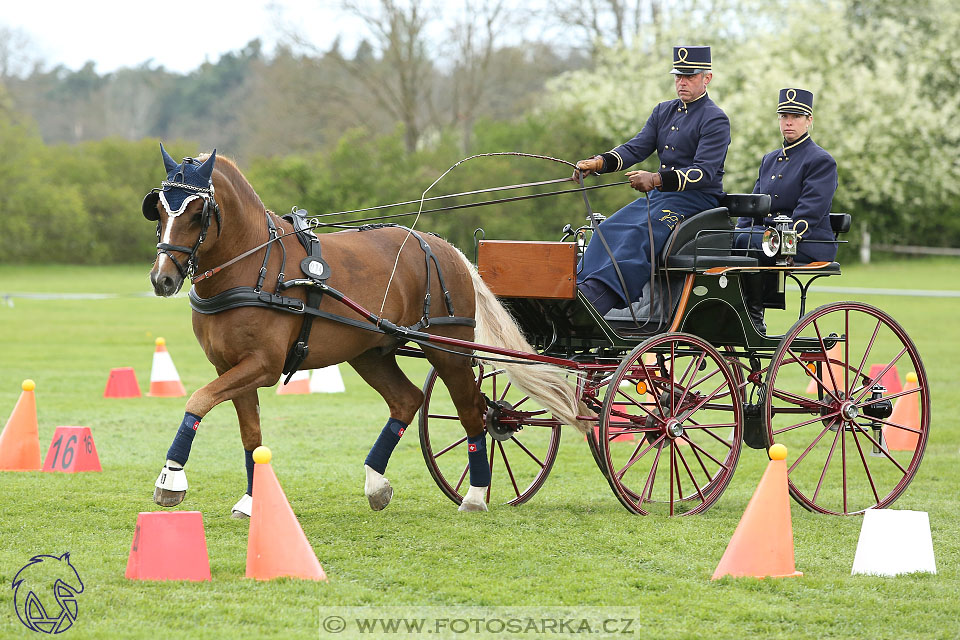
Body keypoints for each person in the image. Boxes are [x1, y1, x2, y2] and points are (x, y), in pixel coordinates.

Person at [574, 45, 731, 315]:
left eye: (689, 76)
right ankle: (579, 287)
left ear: (707, 78)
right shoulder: (663, 111)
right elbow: (636, 148)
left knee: (640, 233)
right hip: (662, 196)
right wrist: (599, 162)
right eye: (678, 76)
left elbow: (702, 173)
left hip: (697, 201)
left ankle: (599, 297)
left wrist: (656, 179)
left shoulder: (715, 119)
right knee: (609, 228)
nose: (682, 82)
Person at [735, 88, 838, 332]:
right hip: (768, 239)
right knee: (728, 241)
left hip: (805, 241)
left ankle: (754, 315)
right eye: (784, 116)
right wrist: (737, 230)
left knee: (750, 242)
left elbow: (809, 213)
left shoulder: (820, 160)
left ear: (809, 120)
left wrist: (784, 237)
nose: (788, 122)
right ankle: (730, 313)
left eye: (796, 116)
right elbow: (754, 205)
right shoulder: (769, 159)